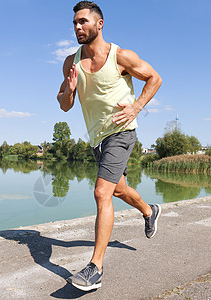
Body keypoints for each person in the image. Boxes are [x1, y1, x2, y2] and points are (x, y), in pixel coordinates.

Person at [57, 1, 162, 291]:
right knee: (117, 189)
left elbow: (155, 78)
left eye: (83, 22)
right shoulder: (71, 62)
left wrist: (136, 107)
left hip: (121, 130)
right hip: (97, 137)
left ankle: (95, 268)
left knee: (101, 192)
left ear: (99, 24)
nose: (78, 27)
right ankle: (149, 211)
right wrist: (70, 88)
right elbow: (64, 105)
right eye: (75, 23)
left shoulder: (121, 56)